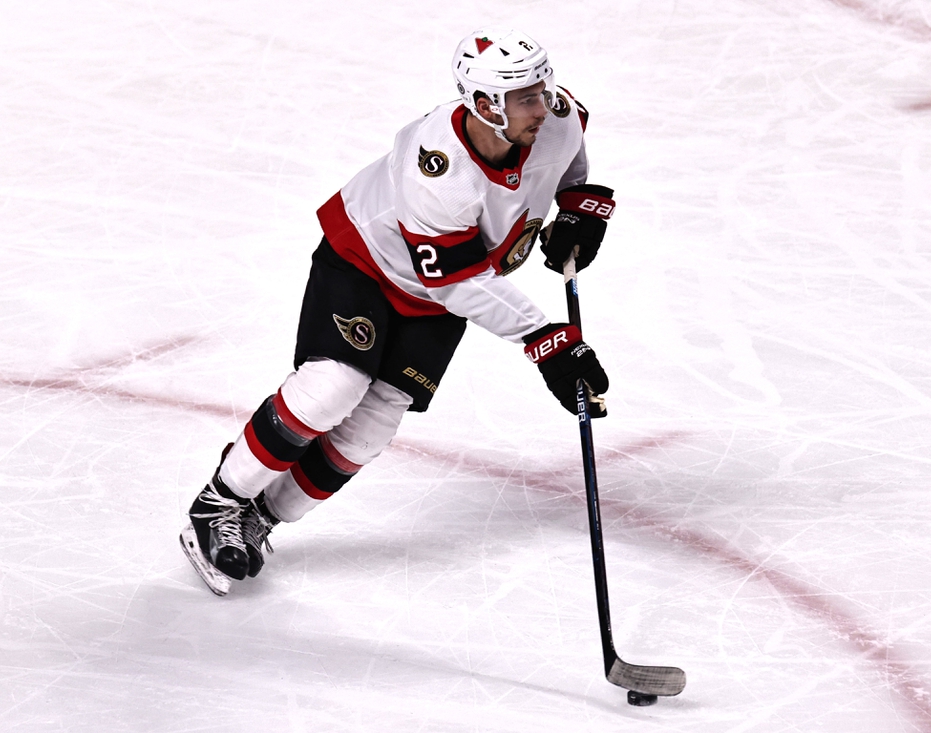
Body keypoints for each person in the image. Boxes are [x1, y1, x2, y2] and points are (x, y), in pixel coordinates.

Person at [180, 29, 616, 596]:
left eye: (542, 87)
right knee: (332, 387)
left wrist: (580, 204)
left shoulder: (553, 116)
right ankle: (219, 503)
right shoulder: (436, 169)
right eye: (526, 97)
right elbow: (459, 285)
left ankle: (263, 518)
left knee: (371, 428)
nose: (545, 103)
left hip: (440, 290)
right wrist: (546, 340)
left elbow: (568, 151)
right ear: (484, 105)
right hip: (366, 263)